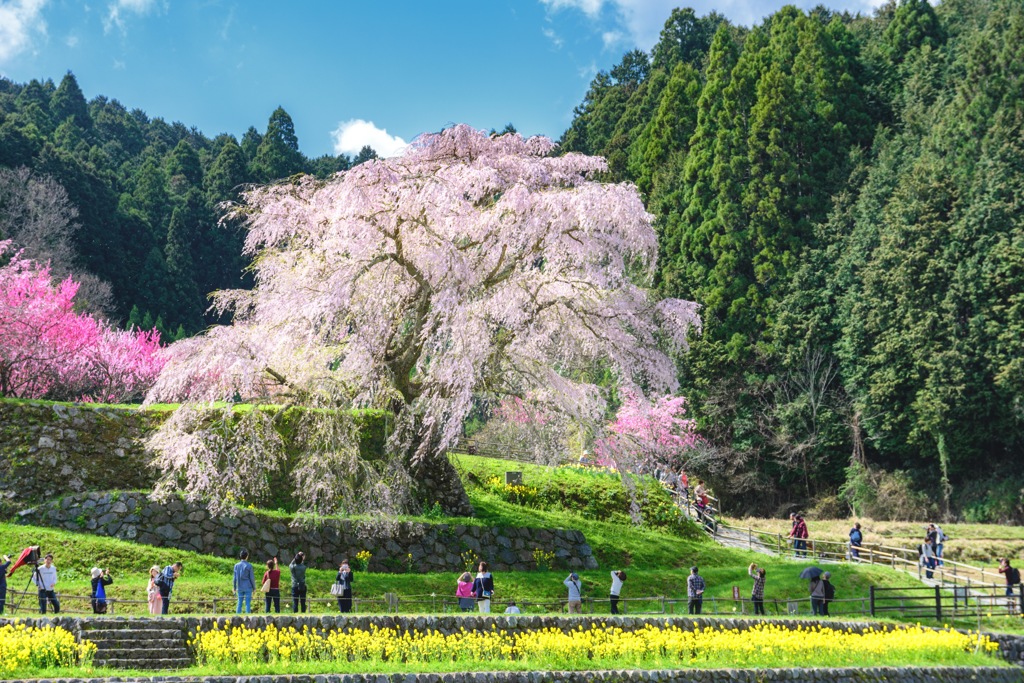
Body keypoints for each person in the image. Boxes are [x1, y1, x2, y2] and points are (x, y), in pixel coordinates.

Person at [233, 550, 255, 614]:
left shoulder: (236, 565)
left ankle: (237, 616)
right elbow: (252, 578)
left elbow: (234, 578)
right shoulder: (249, 566)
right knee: (247, 603)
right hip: (248, 586)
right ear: (247, 557)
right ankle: (248, 616)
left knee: (239, 602)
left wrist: (234, 587)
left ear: (240, 556)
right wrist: (254, 588)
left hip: (239, 586)